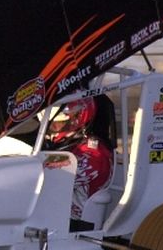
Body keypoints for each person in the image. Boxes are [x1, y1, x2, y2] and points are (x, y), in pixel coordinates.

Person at [44, 97, 114, 232]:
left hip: (73, 225)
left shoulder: (93, 154)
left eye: (58, 123)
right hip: (52, 218)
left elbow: (50, 180)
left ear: (77, 118)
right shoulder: (69, 145)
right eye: (51, 124)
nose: (54, 129)